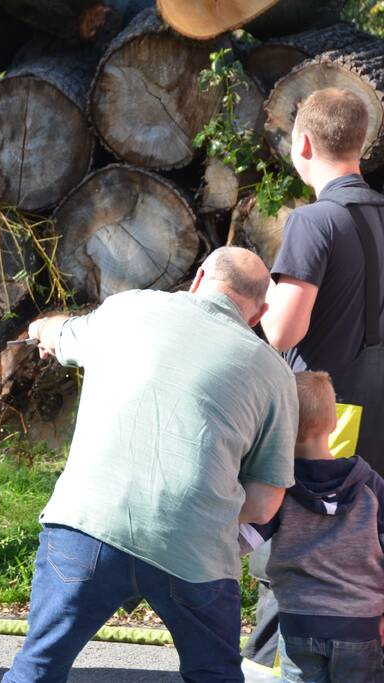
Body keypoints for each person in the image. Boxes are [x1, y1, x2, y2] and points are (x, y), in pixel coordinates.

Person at [1, 246, 299, 683]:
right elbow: (264, 505)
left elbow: (60, 334)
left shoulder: (127, 309)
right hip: (194, 549)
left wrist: (41, 326)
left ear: (198, 280)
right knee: (214, 675)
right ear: (259, 313)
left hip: (87, 526)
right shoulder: (275, 374)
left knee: (39, 665)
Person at [246, 87, 384, 668]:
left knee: (303, 547)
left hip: (330, 416)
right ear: (363, 143)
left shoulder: (314, 220)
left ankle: (271, 666)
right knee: (370, 545)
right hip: (379, 410)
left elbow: (282, 330)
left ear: (302, 143)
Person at [239, 371, 384, 682]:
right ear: (334, 424)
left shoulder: (280, 489)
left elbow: (241, 541)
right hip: (361, 623)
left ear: (279, 428)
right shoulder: (371, 486)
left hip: (299, 622)